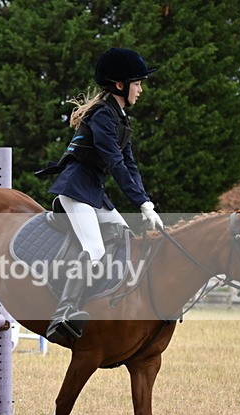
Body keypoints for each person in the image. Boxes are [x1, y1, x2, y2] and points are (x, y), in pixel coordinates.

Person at [45, 47, 164, 342]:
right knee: (95, 250)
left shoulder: (120, 119)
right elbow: (115, 163)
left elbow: (131, 166)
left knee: (123, 238)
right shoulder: (102, 116)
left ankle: (102, 304)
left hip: (94, 194)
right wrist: (139, 202)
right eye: (137, 83)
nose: (141, 89)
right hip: (75, 190)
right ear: (121, 85)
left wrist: (146, 204)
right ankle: (63, 312)